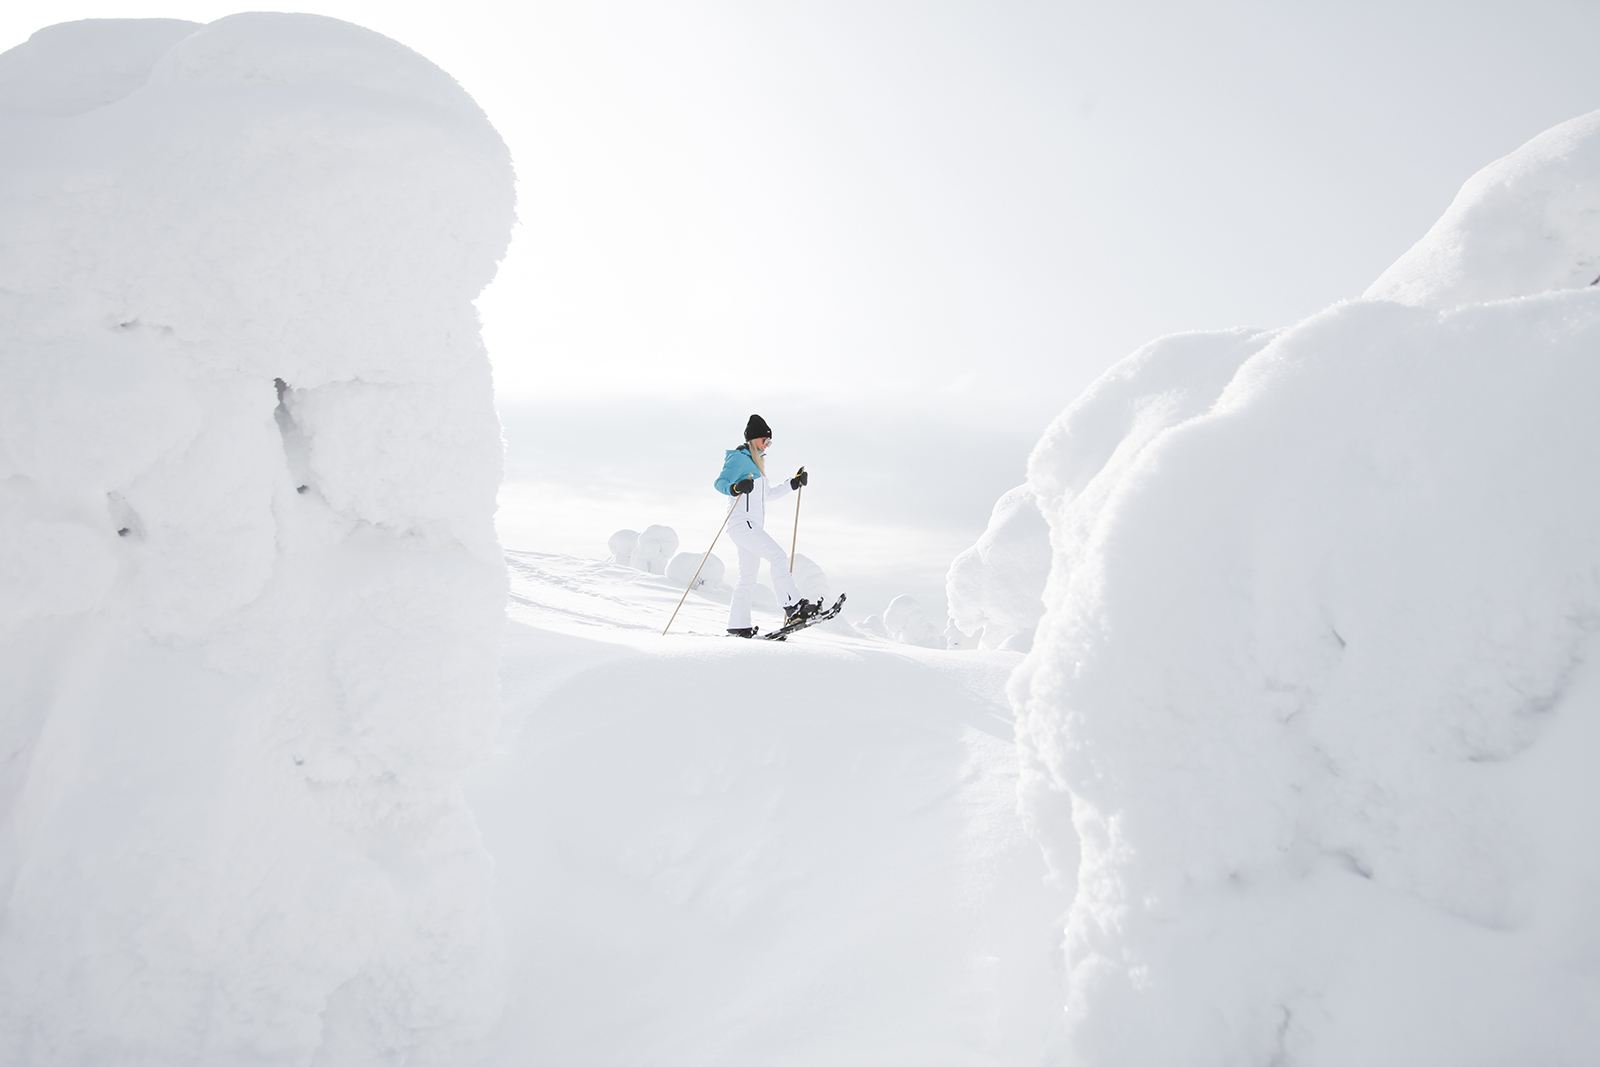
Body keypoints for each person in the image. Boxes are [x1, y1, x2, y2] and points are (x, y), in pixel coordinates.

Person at [714, 414, 815, 637]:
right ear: (752, 440)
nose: (767, 445)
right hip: (742, 524)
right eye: (764, 440)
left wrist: (793, 484)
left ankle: (738, 625)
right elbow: (719, 482)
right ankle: (793, 606)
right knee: (778, 556)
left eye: (769, 442)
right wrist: (735, 488)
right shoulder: (738, 459)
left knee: (747, 579)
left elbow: (767, 494)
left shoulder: (757, 465)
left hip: (750, 527)